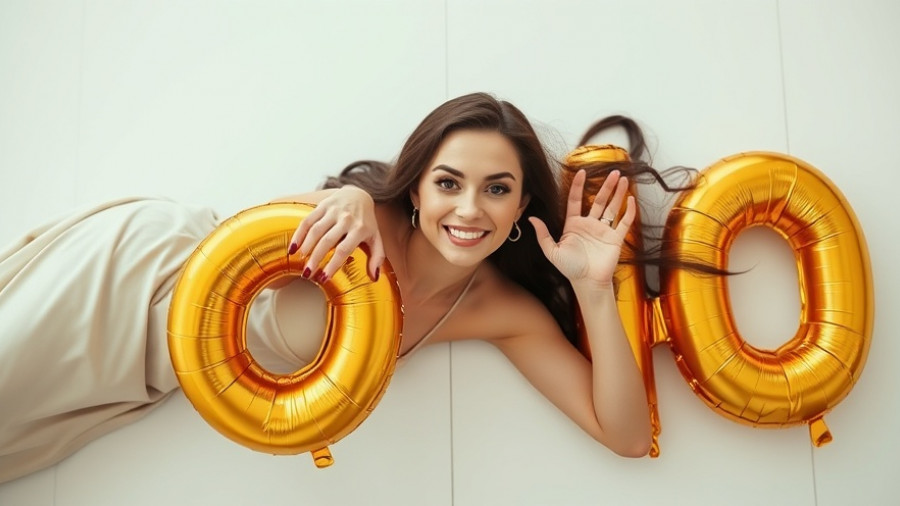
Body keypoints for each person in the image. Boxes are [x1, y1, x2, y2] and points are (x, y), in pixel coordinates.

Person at [0, 92, 652, 484]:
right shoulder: (356, 217)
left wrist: (594, 290)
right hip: (133, 280)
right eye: (448, 183)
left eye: (497, 189)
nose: (469, 209)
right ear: (417, 188)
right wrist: (349, 199)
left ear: (521, 206)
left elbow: (625, 436)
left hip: (152, 371)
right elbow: (247, 238)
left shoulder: (498, 310)